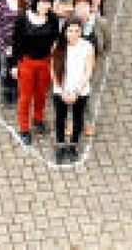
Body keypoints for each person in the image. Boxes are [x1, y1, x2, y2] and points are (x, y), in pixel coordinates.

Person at [10, 0, 60, 146]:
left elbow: (55, 41)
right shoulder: (22, 19)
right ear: (35, 2)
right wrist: (13, 65)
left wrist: (54, 62)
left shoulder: (52, 19)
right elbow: (15, 43)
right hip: (26, 63)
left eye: (48, 3)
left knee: (41, 94)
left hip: (45, 63)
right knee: (25, 97)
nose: (45, 6)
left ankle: (38, 120)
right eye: (42, 2)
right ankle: (24, 128)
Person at [50, 19, 95, 165]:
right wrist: (61, 90)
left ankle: (73, 145)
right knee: (60, 118)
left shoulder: (87, 47)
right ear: (65, 31)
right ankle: (60, 145)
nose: (74, 34)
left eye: (77, 31)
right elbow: (53, 70)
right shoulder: (57, 46)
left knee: (77, 118)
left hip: (80, 91)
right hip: (61, 90)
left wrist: (76, 91)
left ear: (81, 31)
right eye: (70, 30)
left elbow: (88, 71)